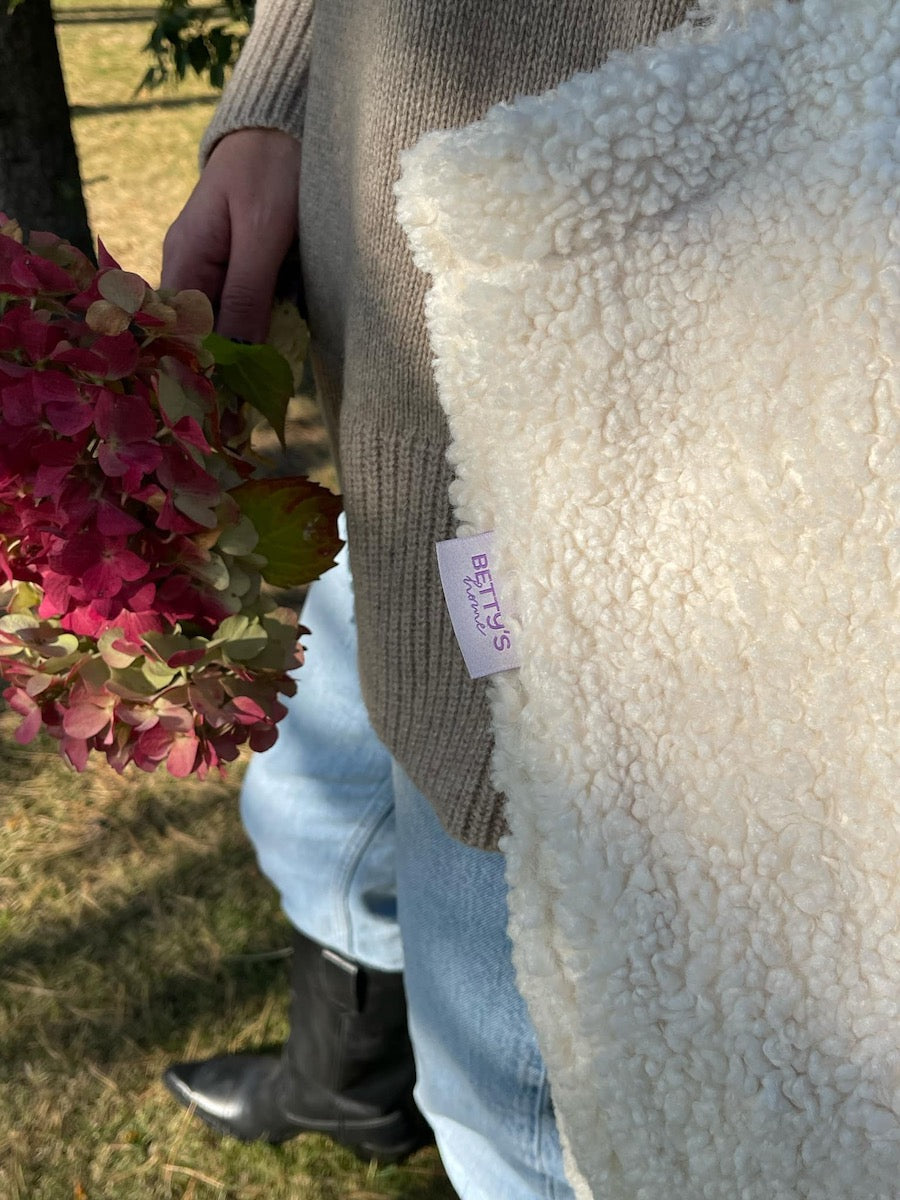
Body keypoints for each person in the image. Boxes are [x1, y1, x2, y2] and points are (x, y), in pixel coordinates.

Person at [160, 4, 691, 1196]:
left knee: (524, 1125)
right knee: (316, 800)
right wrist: (279, 101)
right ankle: (347, 1076)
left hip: (605, 471)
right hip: (406, 419)